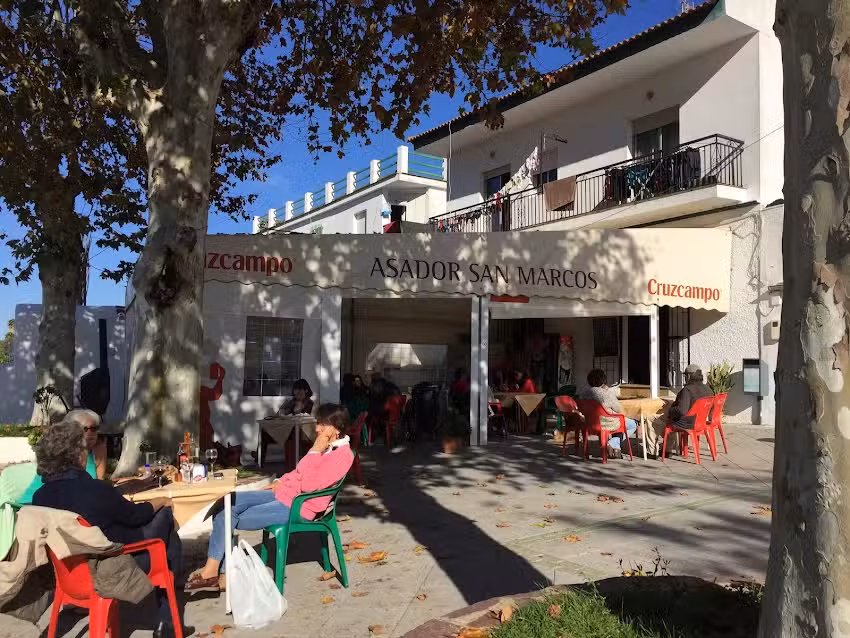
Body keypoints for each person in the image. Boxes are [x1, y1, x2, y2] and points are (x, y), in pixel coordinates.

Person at [31, 420, 182, 637]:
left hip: (69, 575)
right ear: (77, 455)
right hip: (110, 568)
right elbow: (135, 516)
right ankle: (166, 618)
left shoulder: (40, 497)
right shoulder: (95, 489)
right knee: (165, 523)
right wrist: (161, 500)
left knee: (161, 537)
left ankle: (167, 615)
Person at [185, 403, 353, 592]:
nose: (317, 428)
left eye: (321, 424)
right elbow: (299, 472)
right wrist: (281, 480)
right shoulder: (325, 447)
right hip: (283, 493)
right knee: (226, 502)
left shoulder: (342, 455)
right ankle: (218, 572)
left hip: (299, 507)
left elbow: (309, 485)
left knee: (228, 515)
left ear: (335, 428)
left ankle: (215, 573)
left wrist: (314, 451)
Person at [19, 409, 107, 505]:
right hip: (37, 504)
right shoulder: (60, 452)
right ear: (69, 431)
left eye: (94, 428)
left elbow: (99, 483)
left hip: (71, 504)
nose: (90, 433)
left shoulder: (98, 450)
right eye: (84, 429)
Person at [646, 363, 713, 458]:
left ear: (689, 376)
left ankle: (652, 452)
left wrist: (669, 411)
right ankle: (667, 450)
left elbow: (681, 411)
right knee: (670, 419)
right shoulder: (707, 389)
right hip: (700, 422)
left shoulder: (687, 390)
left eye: (685, 375)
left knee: (652, 419)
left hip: (687, 423)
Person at [577, 369, 637, 459]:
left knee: (619, 421)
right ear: (603, 380)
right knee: (632, 424)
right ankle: (612, 443)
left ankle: (615, 447)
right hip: (606, 423)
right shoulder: (606, 393)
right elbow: (618, 409)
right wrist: (608, 390)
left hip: (589, 423)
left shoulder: (583, 393)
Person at [259, 378, 315, 463]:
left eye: (300, 389)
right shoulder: (291, 401)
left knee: (293, 432)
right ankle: (259, 458)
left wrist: (297, 409)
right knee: (264, 430)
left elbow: (304, 418)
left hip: (300, 432)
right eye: (295, 389)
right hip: (284, 428)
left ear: (306, 390)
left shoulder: (309, 403)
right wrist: (283, 409)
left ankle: (293, 462)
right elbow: (279, 414)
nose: (297, 392)